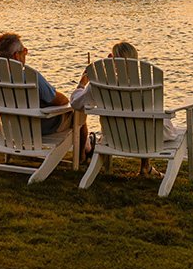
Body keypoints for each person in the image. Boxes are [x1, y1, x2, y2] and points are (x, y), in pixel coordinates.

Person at [70, 41, 173, 177]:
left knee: (137, 122)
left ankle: (144, 167)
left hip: (114, 138)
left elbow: (76, 103)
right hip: (148, 137)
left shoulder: (99, 85)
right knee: (144, 120)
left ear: (111, 60)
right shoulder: (146, 84)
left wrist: (82, 84)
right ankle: (145, 166)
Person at [0, 33, 86, 148]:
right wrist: (80, 87)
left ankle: (87, 145)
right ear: (17, 56)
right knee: (78, 112)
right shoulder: (31, 77)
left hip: (10, 127)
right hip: (39, 127)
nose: (25, 54)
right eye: (24, 51)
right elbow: (61, 101)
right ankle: (83, 153)